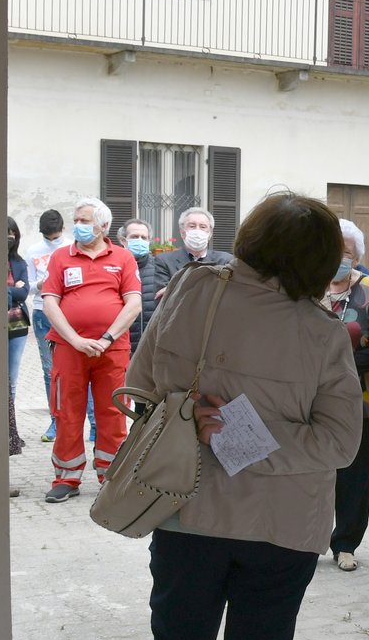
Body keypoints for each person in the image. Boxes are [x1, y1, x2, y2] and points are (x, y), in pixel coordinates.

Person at [86, 192, 362, 640]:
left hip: (191, 514)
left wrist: (225, 425)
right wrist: (266, 439)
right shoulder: (323, 333)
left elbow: (144, 379)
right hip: (284, 531)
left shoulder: (192, 291)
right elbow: (342, 444)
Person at [38, 199, 142, 503]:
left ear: (104, 226)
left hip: (113, 348)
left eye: (85, 220)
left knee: (113, 411)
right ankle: (67, 478)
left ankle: (111, 476)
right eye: (77, 220)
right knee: (67, 411)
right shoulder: (60, 257)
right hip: (69, 348)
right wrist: (75, 339)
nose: (79, 226)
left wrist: (107, 338)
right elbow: (49, 302)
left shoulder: (123, 258)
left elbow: (133, 303)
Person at [325, 219, 369, 572]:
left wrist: (338, 367)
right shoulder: (306, 287)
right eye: (333, 251)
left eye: (346, 252)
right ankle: (310, 537)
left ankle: (346, 543)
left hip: (362, 399)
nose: (339, 258)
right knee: (317, 471)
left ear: (357, 256)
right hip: (313, 400)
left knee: (355, 473)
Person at [24, 209, 72, 442]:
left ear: (62, 230)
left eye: (55, 237)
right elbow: (28, 285)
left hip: (69, 312)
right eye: (48, 238)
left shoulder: (71, 247)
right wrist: (41, 284)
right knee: (49, 370)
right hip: (43, 312)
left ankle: (88, 422)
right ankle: (55, 421)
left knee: (79, 366)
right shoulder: (33, 251)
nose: (52, 242)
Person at [152, 206, 232, 304]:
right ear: (182, 233)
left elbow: (229, 296)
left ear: (210, 234)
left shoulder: (225, 260)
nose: (197, 231)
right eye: (192, 226)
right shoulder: (164, 261)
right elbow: (162, 300)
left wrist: (176, 290)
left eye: (203, 227)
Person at [7, 217, 30, 497]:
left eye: (12, 233)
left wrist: (11, 293)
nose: (9, 237)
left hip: (17, 329)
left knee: (10, 384)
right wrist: (12, 292)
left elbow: (24, 293)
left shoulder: (19, 261)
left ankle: (9, 431)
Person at [116, 217, 156, 354]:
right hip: (121, 347)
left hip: (151, 350)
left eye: (144, 237)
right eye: (134, 236)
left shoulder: (159, 268)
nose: (139, 240)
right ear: (123, 240)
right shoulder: (114, 268)